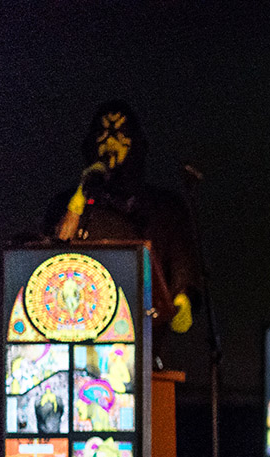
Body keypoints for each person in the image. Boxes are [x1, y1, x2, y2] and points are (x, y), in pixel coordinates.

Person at [39, 99, 200, 365]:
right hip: (71, 342)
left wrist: (182, 301)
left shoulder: (163, 207)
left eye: (121, 134)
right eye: (104, 133)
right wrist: (83, 191)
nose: (110, 142)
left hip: (136, 350)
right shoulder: (66, 202)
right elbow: (49, 254)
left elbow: (182, 265)